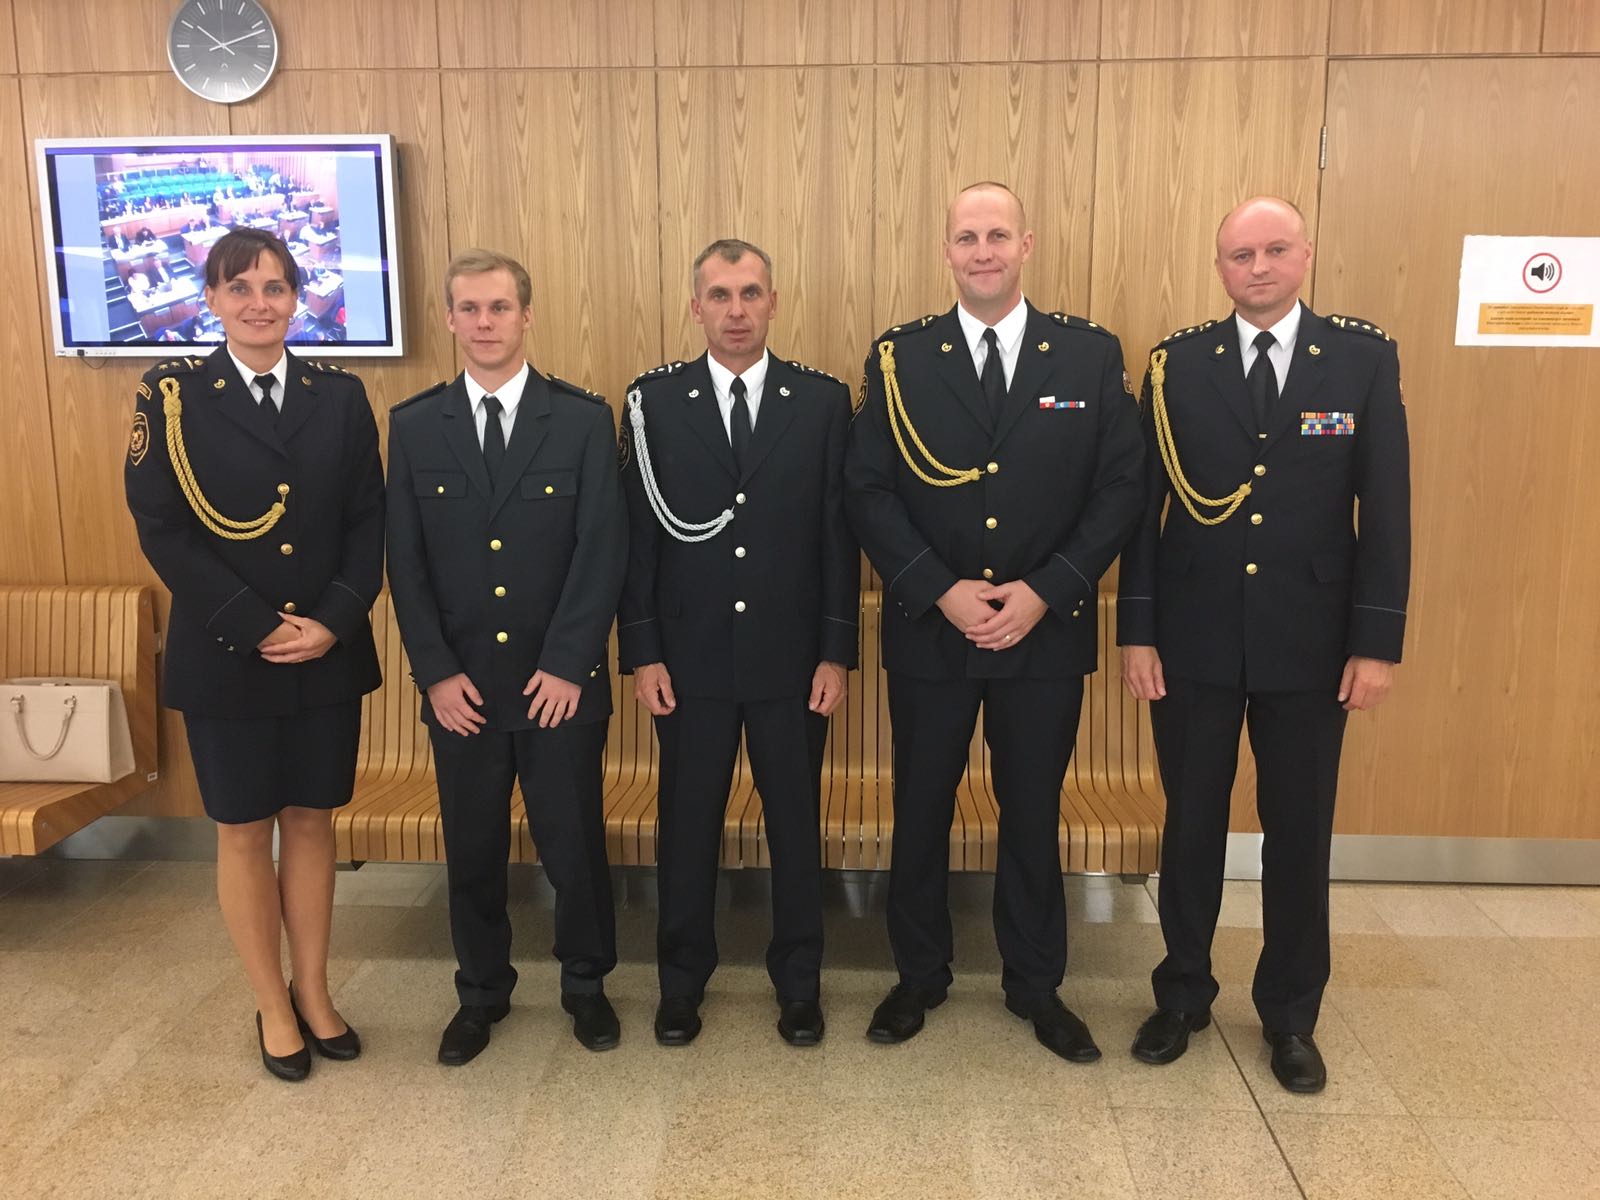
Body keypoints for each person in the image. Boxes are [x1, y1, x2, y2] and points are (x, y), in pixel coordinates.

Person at [844, 182, 1143, 1062]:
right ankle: (918, 975)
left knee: (1032, 809)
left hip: (1043, 631)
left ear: (1027, 245)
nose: (983, 251)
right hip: (932, 629)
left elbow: (1121, 486)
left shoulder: (1088, 356)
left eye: (998, 235)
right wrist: (940, 589)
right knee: (921, 805)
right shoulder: (900, 358)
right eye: (968, 237)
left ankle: (1036, 984)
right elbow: (867, 489)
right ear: (947, 251)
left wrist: (1047, 590)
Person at [1117, 196, 1411, 1094]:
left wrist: (1376, 642)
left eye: (1275, 249)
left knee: (1298, 833)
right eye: (1240, 255)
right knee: (1191, 826)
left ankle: (1290, 1013)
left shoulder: (1360, 359)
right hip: (1193, 638)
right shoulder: (1175, 365)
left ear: (1305, 255)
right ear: (1220, 268)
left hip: (1311, 643)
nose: (1258, 267)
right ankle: (1182, 994)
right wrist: (1138, 630)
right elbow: (1143, 512)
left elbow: (1386, 507)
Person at [123, 227, 383, 1082]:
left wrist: (333, 620)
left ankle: (315, 990)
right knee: (242, 830)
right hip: (226, 652)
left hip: (324, 651)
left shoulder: (338, 395)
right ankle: (272, 1004)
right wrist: (255, 622)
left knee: (311, 820)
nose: (259, 304)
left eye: (275, 288)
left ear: (297, 299)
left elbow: (367, 521)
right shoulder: (172, 397)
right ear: (211, 300)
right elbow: (162, 528)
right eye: (240, 288)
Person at [386, 249, 627, 1064]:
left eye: (499, 307)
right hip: (464, 690)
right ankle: (481, 992)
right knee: (473, 849)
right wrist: (435, 673)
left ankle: (586, 985)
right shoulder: (415, 426)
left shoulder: (583, 420)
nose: (484, 322)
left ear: (527, 315)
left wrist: (568, 662)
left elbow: (602, 550)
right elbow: (405, 562)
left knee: (574, 847)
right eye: (469, 308)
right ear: (448, 319)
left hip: (559, 684)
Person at [619, 239, 858, 1047]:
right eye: (719, 295)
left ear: (773, 302)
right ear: (696, 307)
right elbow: (639, 540)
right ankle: (681, 982)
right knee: (687, 826)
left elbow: (837, 537)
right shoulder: (653, 402)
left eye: (750, 293)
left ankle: (799, 983)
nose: (735, 310)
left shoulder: (820, 402)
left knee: (795, 823)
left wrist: (835, 651)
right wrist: (644, 652)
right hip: (688, 661)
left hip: (792, 660)